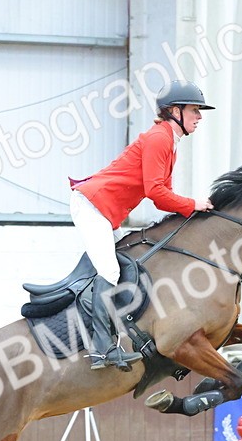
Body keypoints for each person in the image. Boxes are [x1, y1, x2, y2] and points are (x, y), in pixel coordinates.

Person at [69, 80, 215, 371]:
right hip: (92, 206)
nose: (199, 117)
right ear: (175, 111)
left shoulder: (169, 142)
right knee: (109, 271)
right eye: (195, 110)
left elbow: (162, 198)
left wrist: (188, 209)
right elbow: (155, 192)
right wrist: (193, 204)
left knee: (126, 263)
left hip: (105, 211)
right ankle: (101, 350)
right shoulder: (159, 138)